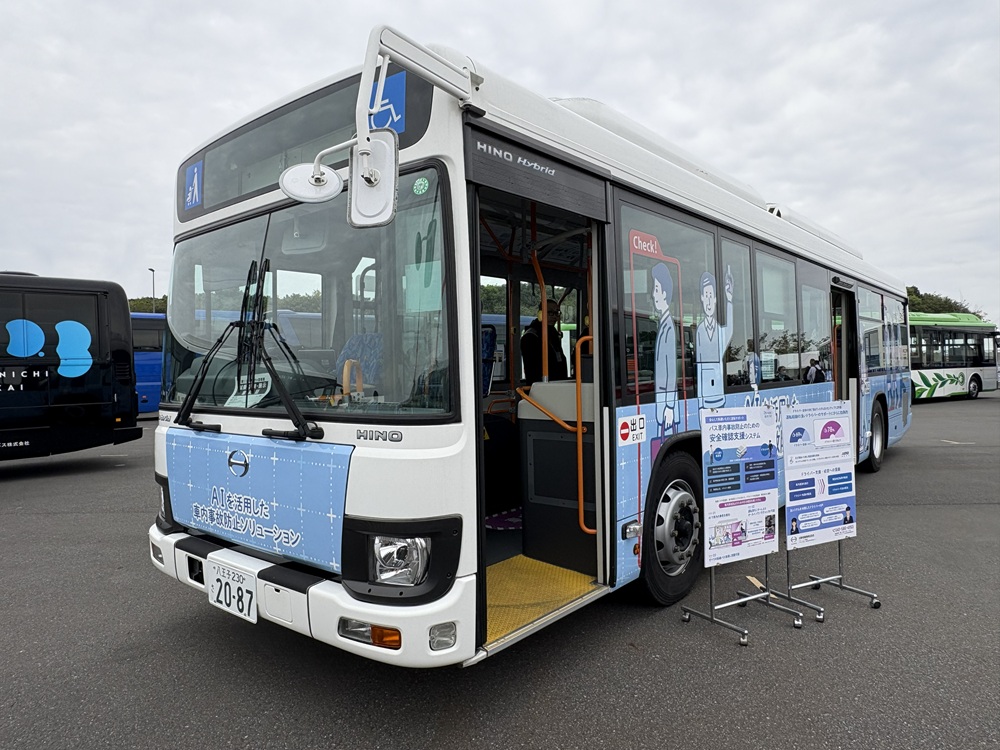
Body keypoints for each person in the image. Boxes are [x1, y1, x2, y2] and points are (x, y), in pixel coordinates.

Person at [651, 263, 678, 435]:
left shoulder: (668, 326)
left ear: (665, 294)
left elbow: (671, 369)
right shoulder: (662, 324)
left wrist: (669, 405)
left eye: (656, 289)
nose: (653, 295)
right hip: (661, 396)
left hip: (665, 398)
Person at [521, 299, 567, 384]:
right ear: (540, 314)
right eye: (550, 313)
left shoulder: (553, 334)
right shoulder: (531, 336)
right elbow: (533, 369)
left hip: (557, 384)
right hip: (542, 386)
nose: (554, 317)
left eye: (557, 313)